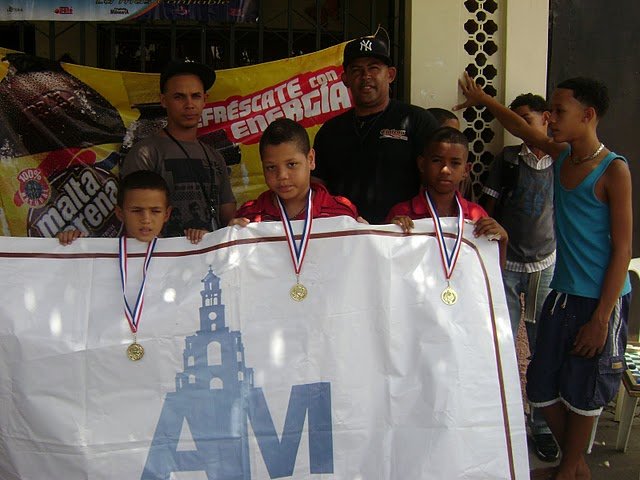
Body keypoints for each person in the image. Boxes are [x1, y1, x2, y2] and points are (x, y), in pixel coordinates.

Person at [457, 73, 632, 480]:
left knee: (585, 392)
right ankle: (577, 468)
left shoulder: (613, 170)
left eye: (559, 111)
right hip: (563, 293)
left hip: (601, 300)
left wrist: (602, 320)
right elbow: (519, 125)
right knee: (539, 384)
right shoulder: (562, 158)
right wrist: (482, 98)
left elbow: (622, 249)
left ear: (588, 115)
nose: (550, 118)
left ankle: (567, 469)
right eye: (549, 111)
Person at [480, 93, 559, 462]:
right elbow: (488, 210)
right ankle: (505, 420)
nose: (524, 126)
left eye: (529, 118)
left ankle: (541, 423)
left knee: (544, 344)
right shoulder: (507, 160)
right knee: (503, 342)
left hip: (546, 263)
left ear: (546, 119)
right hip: (507, 265)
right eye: (517, 120)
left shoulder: (560, 160)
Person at [313, 34, 439, 224]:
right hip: (344, 238)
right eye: (356, 70)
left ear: (390, 74)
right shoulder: (330, 130)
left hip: (401, 237)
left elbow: (439, 183)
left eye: (374, 67)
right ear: (345, 79)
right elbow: (317, 189)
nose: (366, 76)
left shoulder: (418, 121)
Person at [121, 59, 236, 242]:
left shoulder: (215, 156)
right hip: (162, 261)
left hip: (210, 261)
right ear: (163, 101)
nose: (189, 104)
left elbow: (228, 217)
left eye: (196, 96)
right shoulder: (146, 153)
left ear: (205, 100)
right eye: (179, 97)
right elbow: (134, 216)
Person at [386, 126, 508, 266]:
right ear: (422, 164)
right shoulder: (402, 213)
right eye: (437, 161)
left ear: (466, 170)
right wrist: (392, 232)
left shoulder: (476, 216)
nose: (445, 170)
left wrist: (503, 241)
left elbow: (492, 271)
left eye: (455, 163)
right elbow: (387, 267)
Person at [230, 118, 362, 225]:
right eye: (271, 167)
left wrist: (367, 238)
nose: (282, 175)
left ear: (310, 160)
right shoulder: (249, 216)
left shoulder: (340, 212)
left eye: (291, 164)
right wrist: (230, 239)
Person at [57, 170, 172, 244]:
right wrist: (68, 244)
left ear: (166, 214)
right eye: (136, 210)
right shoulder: (100, 250)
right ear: (120, 213)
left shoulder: (181, 250)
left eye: (155, 211)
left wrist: (190, 242)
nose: (146, 219)